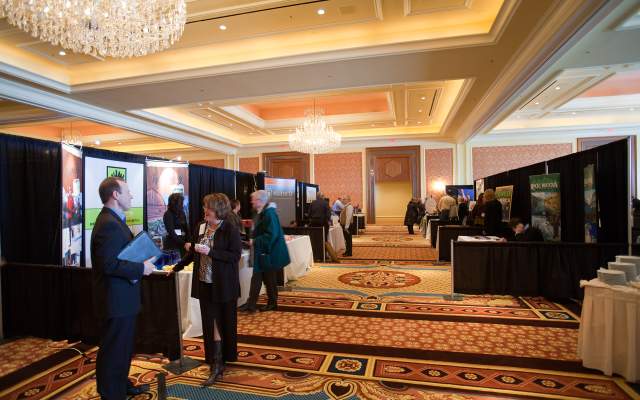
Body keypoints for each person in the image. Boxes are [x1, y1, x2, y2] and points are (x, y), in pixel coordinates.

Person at [91, 177, 156, 400]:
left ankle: (120, 385)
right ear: (116, 195)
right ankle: (111, 393)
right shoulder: (108, 223)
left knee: (123, 348)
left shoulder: (114, 220)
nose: (132, 196)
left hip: (122, 297)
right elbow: (108, 264)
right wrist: (141, 268)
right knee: (114, 349)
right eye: (128, 192)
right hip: (115, 299)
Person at [172, 193, 242, 386]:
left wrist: (210, 252)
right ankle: (214, 360)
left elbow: (234, 256)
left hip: (224, 284)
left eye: (207, 209)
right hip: (204, 282)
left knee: (223, 322)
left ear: (218, 210)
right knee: (209, 322)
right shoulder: (200, 227)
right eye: (205, 208)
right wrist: (178, 266)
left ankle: (221, 360)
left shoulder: (229, 229)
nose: (204, 211)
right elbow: (193, 251)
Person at [239, 190, 291, 313]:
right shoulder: (261, 212)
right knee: (261, 278)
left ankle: (269, 303)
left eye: (253, 199)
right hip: (263, 252)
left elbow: (271, 235)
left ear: (260, 201)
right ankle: (253, 304)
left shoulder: (269, 213)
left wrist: (255, 241)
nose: (251, 201)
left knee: (268, 278)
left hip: (268, 252)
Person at [163, 193, 190, 260]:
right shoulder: (168, 214)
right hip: (173, 244)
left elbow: (186, 228)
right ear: (175, 203)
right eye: (181, 203)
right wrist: (184, 243)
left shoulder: (182, 213)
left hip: (183, 244)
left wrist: (188, 241)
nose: (182, 205)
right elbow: (171, 232)